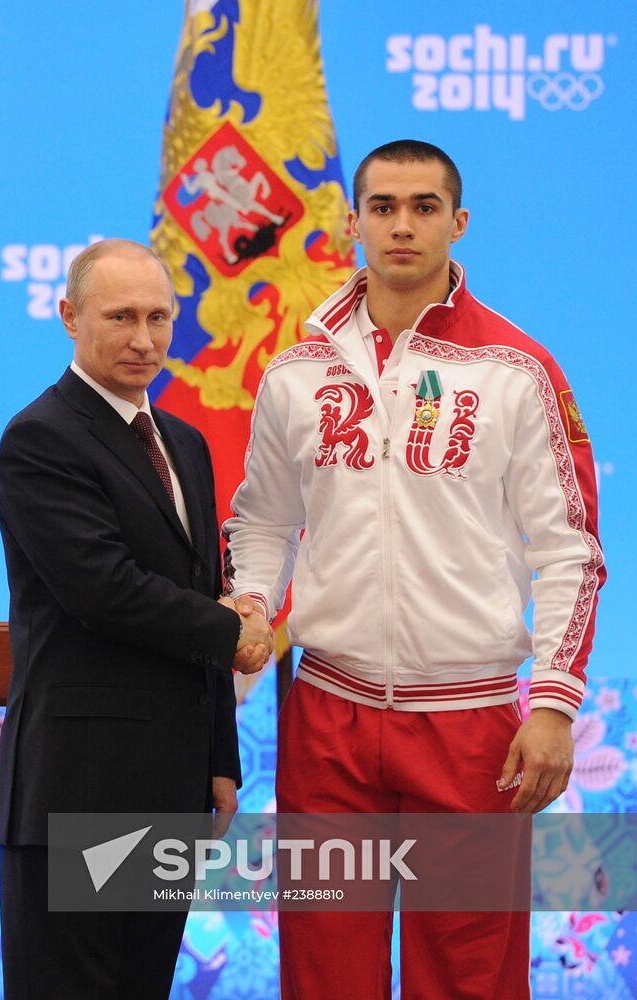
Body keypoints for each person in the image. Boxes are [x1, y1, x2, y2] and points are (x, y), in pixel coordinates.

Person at [222, 141, 605, 998]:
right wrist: (249, 604)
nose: (402, 224)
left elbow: (568, 550)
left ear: (456, 222)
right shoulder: (294, 373)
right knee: (325, 970)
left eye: (423, 207)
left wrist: (549, 703)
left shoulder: (517, 371)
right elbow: (261, 520)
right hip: (327, 717)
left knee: (470, 973)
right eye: (384, 206)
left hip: (469, 726)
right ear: (351, 222)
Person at [0, 238, 272, 1000]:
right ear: (68, 317)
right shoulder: (40, 436)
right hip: (76, 792)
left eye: (158, 317)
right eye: (120, 317)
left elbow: (202, 586)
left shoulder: (182, 442)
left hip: (169, 786)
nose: (143, 339)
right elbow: (103, 589)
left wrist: (220, 756)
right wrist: (234, 632)